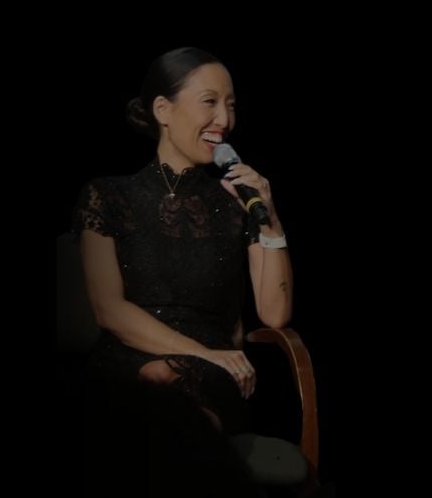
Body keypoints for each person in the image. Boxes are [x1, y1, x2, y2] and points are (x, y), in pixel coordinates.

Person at [73, 47, 294, 496]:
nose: (224, 119)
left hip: (215, 373)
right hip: (130, 357)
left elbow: (275, 314)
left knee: (174, 389)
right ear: (163, 110)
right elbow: (108, 309)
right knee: (154, 379)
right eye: (210, 102)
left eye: (231, 105)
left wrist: (270, 219)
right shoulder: (108, 196)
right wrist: (201, 353)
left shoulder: (237, 203)